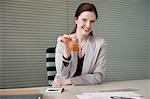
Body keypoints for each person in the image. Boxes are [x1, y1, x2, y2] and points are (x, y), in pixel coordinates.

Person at [52, 2, 107, 87]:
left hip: (87, 90)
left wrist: (69, 81)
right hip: (62, 88)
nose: (88, 25)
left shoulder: (100, 44)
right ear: (76, 19)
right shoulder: (64, 41)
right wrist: (67, 52)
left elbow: (98, 77)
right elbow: (62, 74)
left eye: (92, 21)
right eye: (84, 20)